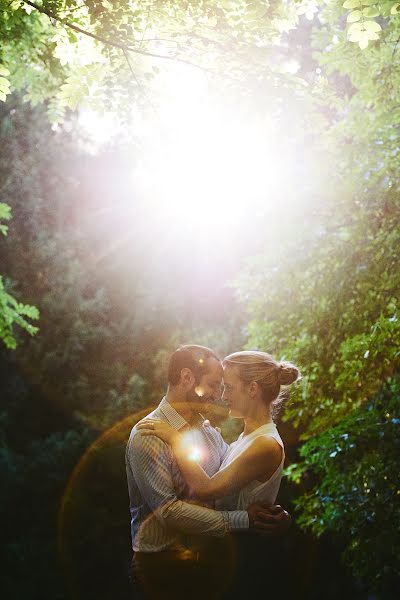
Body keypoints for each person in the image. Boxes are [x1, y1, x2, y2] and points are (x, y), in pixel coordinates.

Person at [125, 345, 292, 600]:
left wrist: (274, 515)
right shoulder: (147, 436)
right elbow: (168, 511)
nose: (217, 396)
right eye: (214, 385)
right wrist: (246, 519)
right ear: (186, 378)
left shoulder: (208, 433)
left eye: (224, 386)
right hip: (162, 570)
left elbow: (230, 478)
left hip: (206, 567)